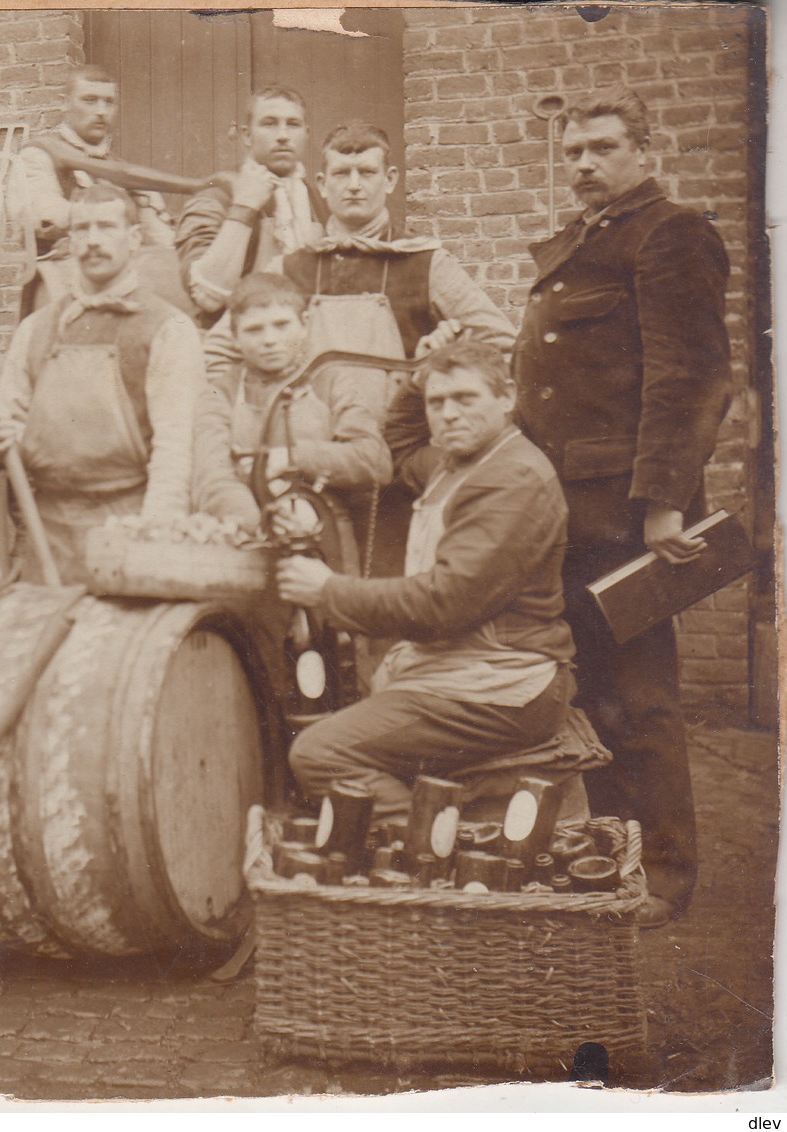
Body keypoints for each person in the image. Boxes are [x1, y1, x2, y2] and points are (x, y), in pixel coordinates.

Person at [511, 88, 731, 926]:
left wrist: (665, 506)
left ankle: (669, 872)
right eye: (573, 152)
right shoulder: (581, 242)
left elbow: (691, 379)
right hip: (565, 514)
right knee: (592, 697)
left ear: (646, 150)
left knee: (640, 700)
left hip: (628, 516)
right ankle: (615, 860)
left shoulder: (670, 234)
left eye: (602, 148)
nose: (584, 166)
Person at [207, 121, 517, 579]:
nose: (354, 185)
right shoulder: (291, 265)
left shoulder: (427, 263)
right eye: (342, 173)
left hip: (399, 472)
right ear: (322, 183)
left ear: (389, 180)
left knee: (392, 600)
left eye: (367, 172)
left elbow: (501, 342)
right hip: (303, 475)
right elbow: (219, 350)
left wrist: (440, 363)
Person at [279, 341, 576, 814]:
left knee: (319, 754)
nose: (449, 414)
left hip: (496, 684)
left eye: (465, 398)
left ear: (507, 398)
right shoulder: (454, 466)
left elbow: (444, 605)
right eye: (437, 404)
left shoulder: (512, 478)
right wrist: (420, 379)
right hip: (456, 672)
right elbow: (398, 441)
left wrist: (328, 589)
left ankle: (437, 853)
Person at [0, 182, 201, 584]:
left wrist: (150, 543)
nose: (92, 241)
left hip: (125, 532)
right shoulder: (36, 329)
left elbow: (174, 450)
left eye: (106, 227)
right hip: (45, 537)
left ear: (134, 238)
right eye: (81, 229)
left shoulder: (168, 329)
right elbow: (5, 426)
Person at [194, 273, 390, 530]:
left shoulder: (330, 380)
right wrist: (263, 523)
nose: (269, 340)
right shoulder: (221, 393)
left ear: (304, 323)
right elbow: (213, 478)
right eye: (254, 330)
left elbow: (374, 461)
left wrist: (289, 458)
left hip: (325, 529)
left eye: (281, 325)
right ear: (234, 336)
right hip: (248, 530)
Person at [17, 66, 181, 315]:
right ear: (66, 103)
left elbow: (160, 237)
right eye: (90, 101)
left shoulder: (120, 170)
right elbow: (45, 216)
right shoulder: (39, 155)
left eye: (109, 102)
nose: (101, 112)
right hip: (61, 279)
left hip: (124, 277)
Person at [176, 87, 327, 328]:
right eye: (269, 124)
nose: (283, 135)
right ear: (246, 135)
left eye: (293, 124)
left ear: (307, 134)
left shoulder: (319, 201)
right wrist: (244, 208)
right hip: (231, 342)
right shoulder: (215, 198)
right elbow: (206, 297)